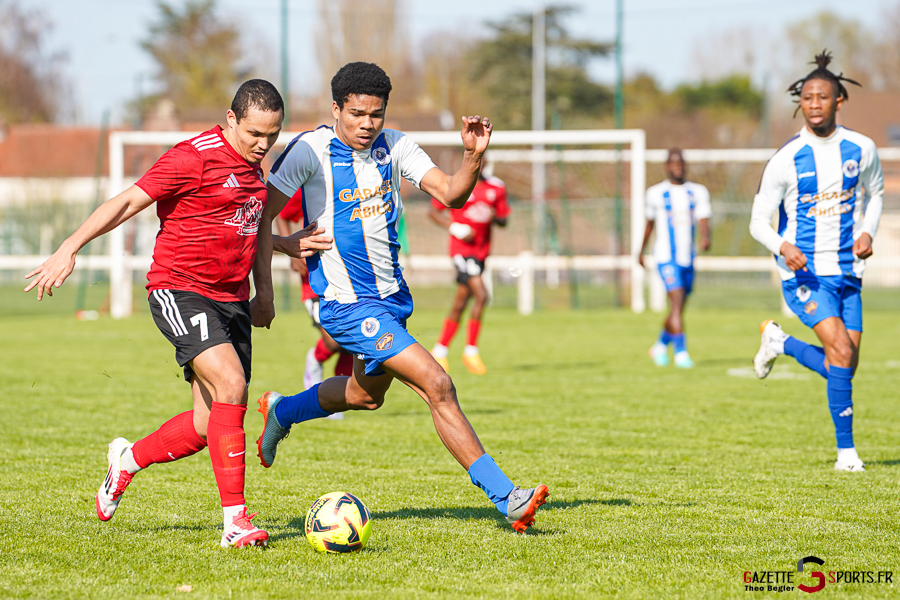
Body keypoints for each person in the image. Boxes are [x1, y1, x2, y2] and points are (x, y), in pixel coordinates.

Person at [251, 62, 548, 533]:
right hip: (347, 306)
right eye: (357, 114)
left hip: (393, 301)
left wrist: (471, 157)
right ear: (336, 109)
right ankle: (506, 496)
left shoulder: (397, 146)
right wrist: (283, 256)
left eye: (376, 114)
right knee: (437, 383)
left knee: (363, 396)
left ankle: (282, 410)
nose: (367, 124)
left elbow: (450, 194)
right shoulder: (309, 150)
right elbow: (256, 216)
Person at [24, 80, 319, 547]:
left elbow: (248, 225)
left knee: (208, 424)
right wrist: (69, 247)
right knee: (232, 385)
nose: (263, 145)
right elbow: (125, 201)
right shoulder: (192, 158)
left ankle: (126, 461)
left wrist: (266, 289)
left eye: (273, 135)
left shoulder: (256, 170)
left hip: (232, 299)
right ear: (231, 119)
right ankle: (235, 522)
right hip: (179, 289)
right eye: (254, 135)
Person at [749, 51, 883, 472]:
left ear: (838, 100)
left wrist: (868, 232)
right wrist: (782, 246)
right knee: (840, 351)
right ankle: (847, 455)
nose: (814, 104)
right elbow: (757, 222)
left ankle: (780, 342)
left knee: (843, 364)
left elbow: (876, 194)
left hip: (849, 271)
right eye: (807, 98)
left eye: (822, 97)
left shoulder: (861, 148)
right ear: (800, 102)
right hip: (804, 274)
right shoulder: (785, 159)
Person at [428, 157, 509, 375]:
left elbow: (503, 220)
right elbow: (433, 212)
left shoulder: (496, 188)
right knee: (482, 295)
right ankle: (471, 351)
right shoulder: (458, 185)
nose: (479, 166)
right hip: (461, 251)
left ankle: (440, 350)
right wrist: (455, 228)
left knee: (461, 302)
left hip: (481, 252)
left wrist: (494, 217)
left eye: (482, 161)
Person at [276, 190, 354, 404]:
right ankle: (316, 358)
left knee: (351, 342)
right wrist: (290, 251)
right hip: (316, 280)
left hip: (349, 278)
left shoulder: (352, 187)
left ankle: (341, 398)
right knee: (334, 340)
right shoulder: (308, 187)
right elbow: (282, 214)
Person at [638, 149, 711, 368]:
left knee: (678, 307)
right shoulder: (655, 193)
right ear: (667, 166)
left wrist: (706, 238)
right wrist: (640, 251)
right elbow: (649, 225)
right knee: (677, 301)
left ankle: (660, 345)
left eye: (681, 163)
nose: (678, 166)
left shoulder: (697, 192)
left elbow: (704, 219)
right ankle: (680, 352)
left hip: (687, 258)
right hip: (665, 257)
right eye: (673, 163)